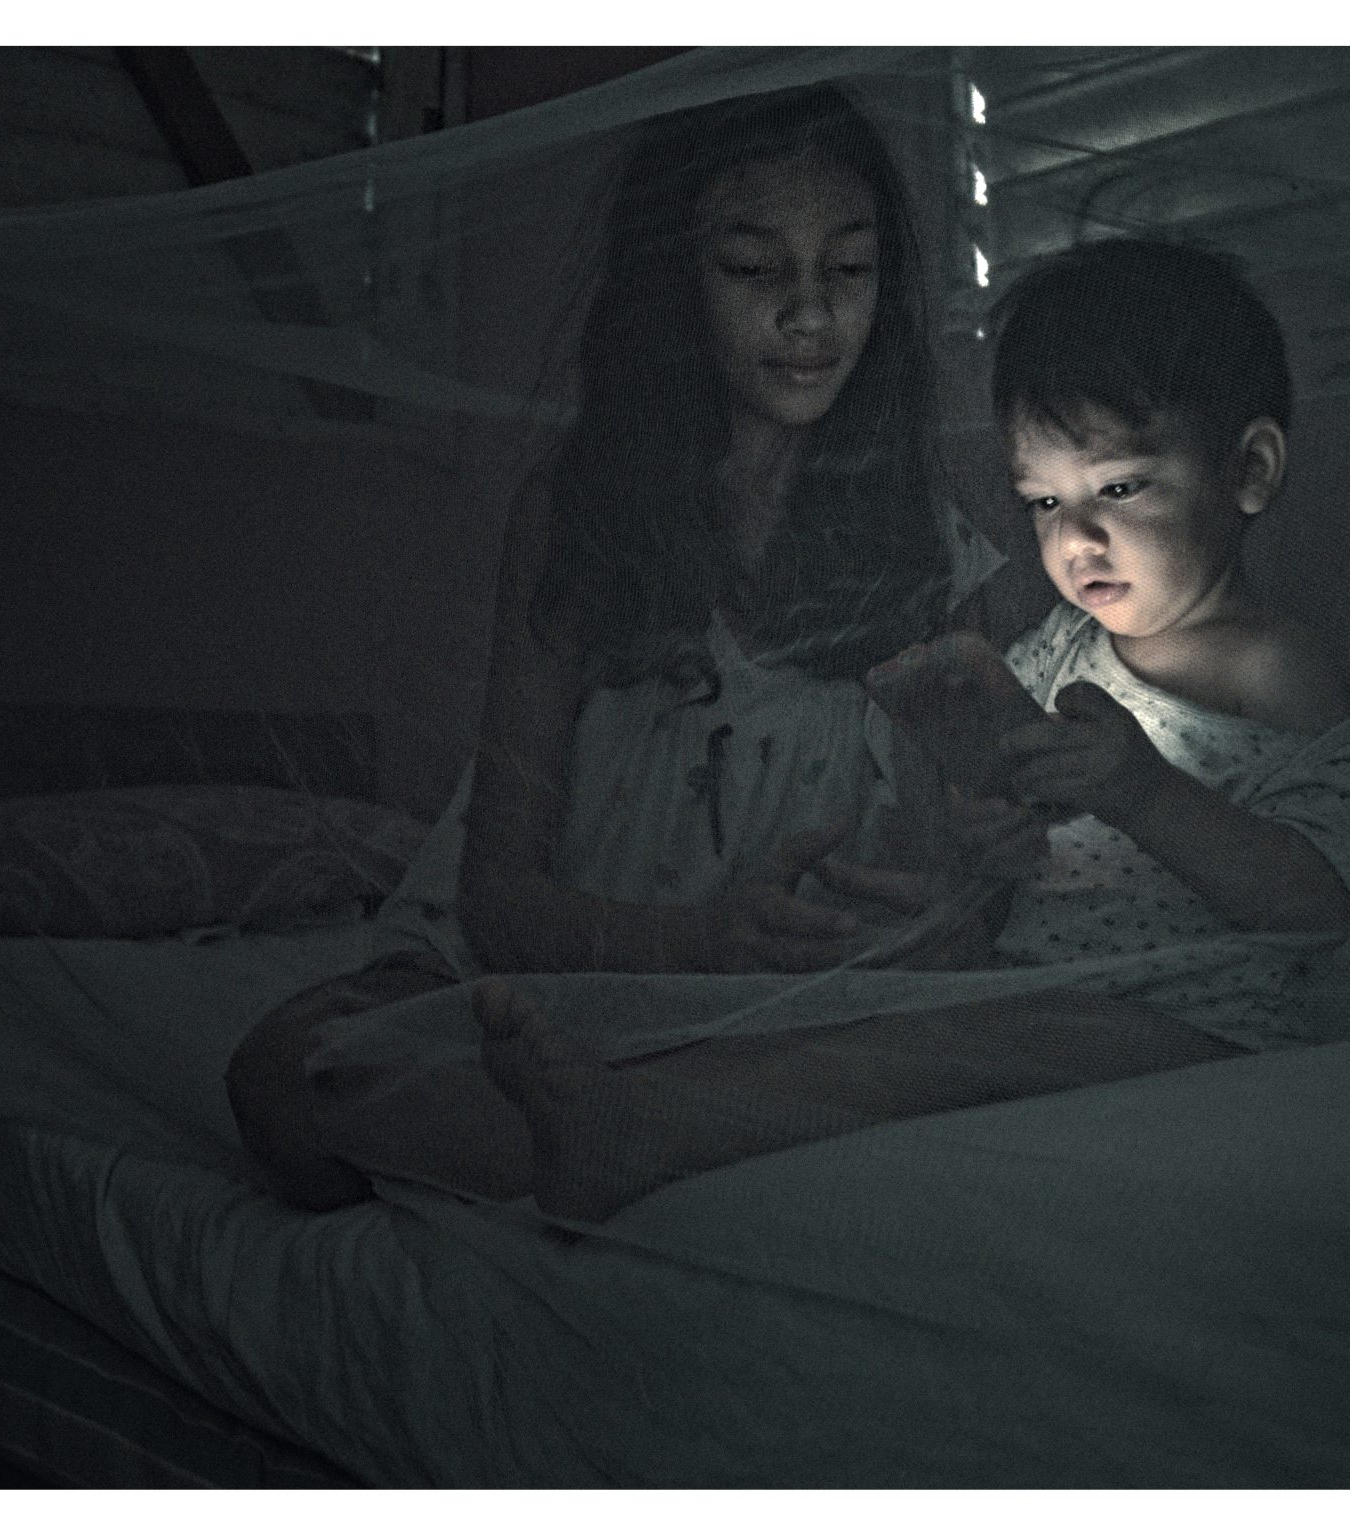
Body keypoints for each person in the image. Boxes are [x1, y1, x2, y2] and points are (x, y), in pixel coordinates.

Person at [470, 236, 1350, 1222]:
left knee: (983, 1038)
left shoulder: (1270, 665)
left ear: (1248, 470)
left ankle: (638, 1135)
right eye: (1043, 500)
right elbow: (1012, 857)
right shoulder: (1050, 651)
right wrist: (987, 844)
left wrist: (1144, 793)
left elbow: (1322, 905)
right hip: (1027, 998)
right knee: (868, 1036)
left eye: (1119, 488)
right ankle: (634, 1111)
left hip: (1197, 1029)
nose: (1075, 539)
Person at [226, 84, 1005, 1210]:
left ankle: (625, 1130)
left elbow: (971, 878)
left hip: (774, 1016)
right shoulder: (581, 513)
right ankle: (592, 1131)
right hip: (554, 967)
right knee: (282, 1082)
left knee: (924, 1073)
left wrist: (953, 882)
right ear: (676, 286)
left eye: (849, 269)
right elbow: (499, 897)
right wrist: (698, 942)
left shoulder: (927, 544)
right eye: (753, 269)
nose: (809, 314)